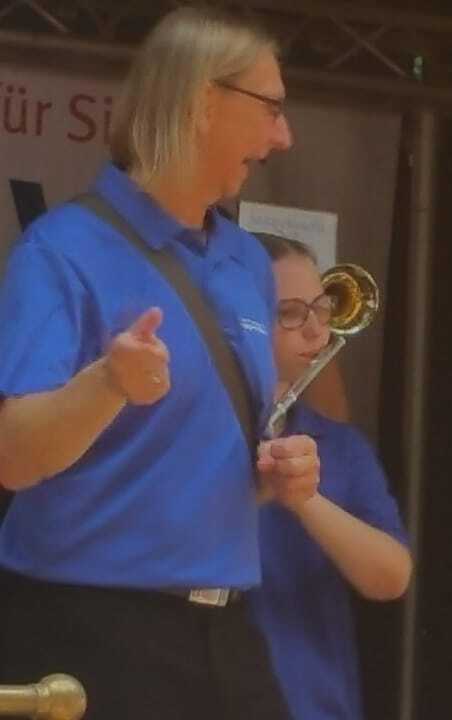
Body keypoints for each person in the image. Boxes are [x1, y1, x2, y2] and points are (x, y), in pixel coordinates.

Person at [0, 8, 308, 718]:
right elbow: (13, 459)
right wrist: (108, 383)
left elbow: (205, 456)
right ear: (203, 102)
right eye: (271, 108)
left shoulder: (247, 261)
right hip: (90, 627)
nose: (283, 136)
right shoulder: (61, 251)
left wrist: (276, 471)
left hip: (228, 628)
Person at [247, 234, 412, 720]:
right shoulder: (193, 436)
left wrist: (305, 499)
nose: (317, 331)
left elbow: (391, 578)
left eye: (322, 309)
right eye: (290, 313)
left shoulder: (341, 446)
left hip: (314, 702)